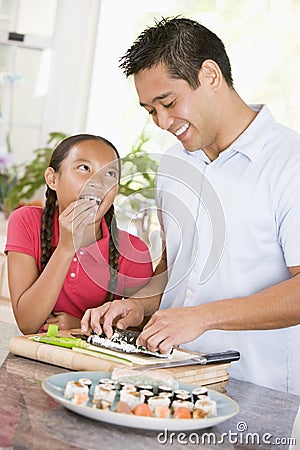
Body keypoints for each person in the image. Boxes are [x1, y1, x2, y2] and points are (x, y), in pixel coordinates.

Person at [81, 18, 300, 393]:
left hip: (258, 392)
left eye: (168, 102)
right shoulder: (174, 164)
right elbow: (174, 270)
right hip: (169, 380)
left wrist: (203, 318)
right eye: (150, 110)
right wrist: (138, 307)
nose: (162, 122)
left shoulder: (289, 163)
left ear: (211, 75)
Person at [5, 134, 153, 334]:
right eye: (84, 168)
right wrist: (67, 247)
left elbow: (140, 332)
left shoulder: (133, 250)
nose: (98, 182)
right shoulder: (26, 221)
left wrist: (79, 326)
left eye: (109, 174)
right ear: (52, 179)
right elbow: (27, 323)